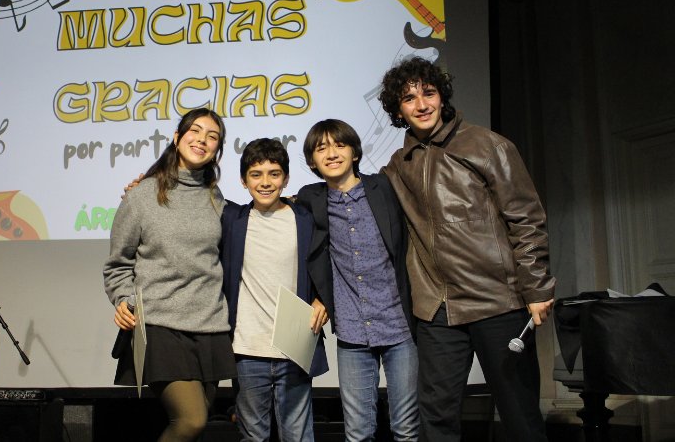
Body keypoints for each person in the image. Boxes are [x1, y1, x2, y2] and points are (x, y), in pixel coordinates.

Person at [378, 57, 555, 442]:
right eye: (408, 98)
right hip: (438, 308)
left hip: (497, 300)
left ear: (442, 96)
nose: (421, 105)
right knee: (436, 420)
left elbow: (526, 217)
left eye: (428, 93)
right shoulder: (398, 166)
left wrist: (537, 287)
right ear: (398, 110)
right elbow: (363, 201)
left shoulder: (487, 144)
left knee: (520, 417)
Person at [103, 108, 237, 442]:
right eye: (195, 131)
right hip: (160, 323)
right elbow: (118, 263)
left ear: (217, 150)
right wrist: (124, 299)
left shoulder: (215, 198)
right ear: (177, 138)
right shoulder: (142, 195)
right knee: (191, 421)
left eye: (212, 136)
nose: (202, 140)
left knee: (197, 426)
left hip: (210, 324)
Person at [297, 119, 419, 442]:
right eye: (321, 148)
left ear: (354, 152)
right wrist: (319, 295)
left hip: (398, 325)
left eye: (340, 145)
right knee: (358, 433)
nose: (331, 153)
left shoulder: (383, 188)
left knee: (406, 429)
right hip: (352, 331)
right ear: (312, 161)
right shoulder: (311, 199)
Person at [220, 138, 329, 442]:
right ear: (243, 181)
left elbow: (328, 263)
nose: (265, 182)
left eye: (274, 174)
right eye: (256, 174)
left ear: (286, 178)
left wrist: (324, 300)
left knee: (299, 436)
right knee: (254, 437)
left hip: (294, 345)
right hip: (247, 349)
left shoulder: (306, 219)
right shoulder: (232, 220)